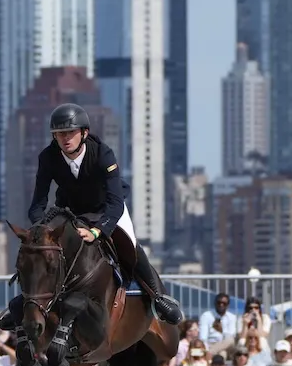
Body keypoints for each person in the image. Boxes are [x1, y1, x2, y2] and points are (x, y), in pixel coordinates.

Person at [21, 103, 182, 324]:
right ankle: (23, 304)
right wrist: (39, 231)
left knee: (130, 245)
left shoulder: (102, 154)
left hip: (106, 209)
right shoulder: (47, 157)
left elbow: (115, 202)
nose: (65, 138)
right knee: (39, 253)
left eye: (70, 132)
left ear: (84, 133)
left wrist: (98, 232)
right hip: (73, 211)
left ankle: (157, 297)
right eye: (59, 134)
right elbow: (38, 202)